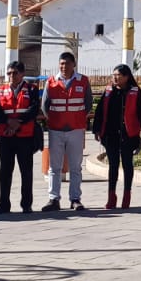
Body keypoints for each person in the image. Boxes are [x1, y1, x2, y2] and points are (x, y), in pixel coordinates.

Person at [41, 52, 91, 212]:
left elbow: (88, 104)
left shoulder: (83, 81)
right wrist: (54, 121)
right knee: (54, 167)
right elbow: (44, 105)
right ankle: (53, 199)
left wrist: (77, 119)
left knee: (75, 167)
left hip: (76, 130)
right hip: (56, 130)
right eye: (61, 63)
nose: (64, 66)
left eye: (67, 63)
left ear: (73, 64)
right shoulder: (51, 82)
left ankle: (75, 199)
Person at [0, 61, 41, 214]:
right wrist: (8, 122)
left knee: (26, 171)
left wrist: (17, 123)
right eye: (9, 73)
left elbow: (33, 109)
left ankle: (26, 204)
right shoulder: (0, 91)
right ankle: (3, 204)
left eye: (15, 73)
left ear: (22, 74)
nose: (11, 76)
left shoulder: (31, 89)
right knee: (5, 170)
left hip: (25, 135)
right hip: (5, 136)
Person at [92, 64, 141, 211]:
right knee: (113, 165)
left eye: (118, 75)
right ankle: (111, 196)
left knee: (127, 164)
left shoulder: (136, 92)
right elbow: (100, 111)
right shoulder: (108, 91)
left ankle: (127, 195)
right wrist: (97, 129)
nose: (115, 78)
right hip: (111, 135)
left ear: (126, 77)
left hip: (128, 135)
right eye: (113, 75)